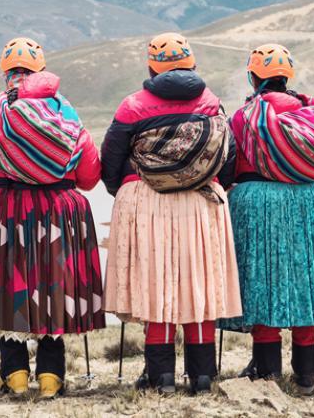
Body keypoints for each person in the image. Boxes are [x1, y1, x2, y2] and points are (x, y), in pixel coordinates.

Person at [0, 37, 105, 399]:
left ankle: (16, 375)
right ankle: (51, 378)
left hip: (4, 214)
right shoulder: (68, 116)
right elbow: (88, 177)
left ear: (7, 74)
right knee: (54, 291)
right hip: (56, 214)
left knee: (10, 291)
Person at [101, 32, 242, 395]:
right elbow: (227, 158)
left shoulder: (133, 105)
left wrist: (127, 189)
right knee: (199, 288)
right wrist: (212, 185)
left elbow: (111, 161)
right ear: (192, 64)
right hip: (200, 202)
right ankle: (203, 377)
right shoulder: (212, 103)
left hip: (146, 201)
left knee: (156, 287)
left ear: (152, 67)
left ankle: (160, 378)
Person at [223, 43, 314, 395]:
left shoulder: (243, 117)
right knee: (304, 280)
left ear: (253, 78)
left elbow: (231, 165)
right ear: (288, 77)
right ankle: (308, 373)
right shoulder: (313, 115)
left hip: (258, 203)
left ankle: (266, 369)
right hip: (310, 202)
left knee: (262, 281)